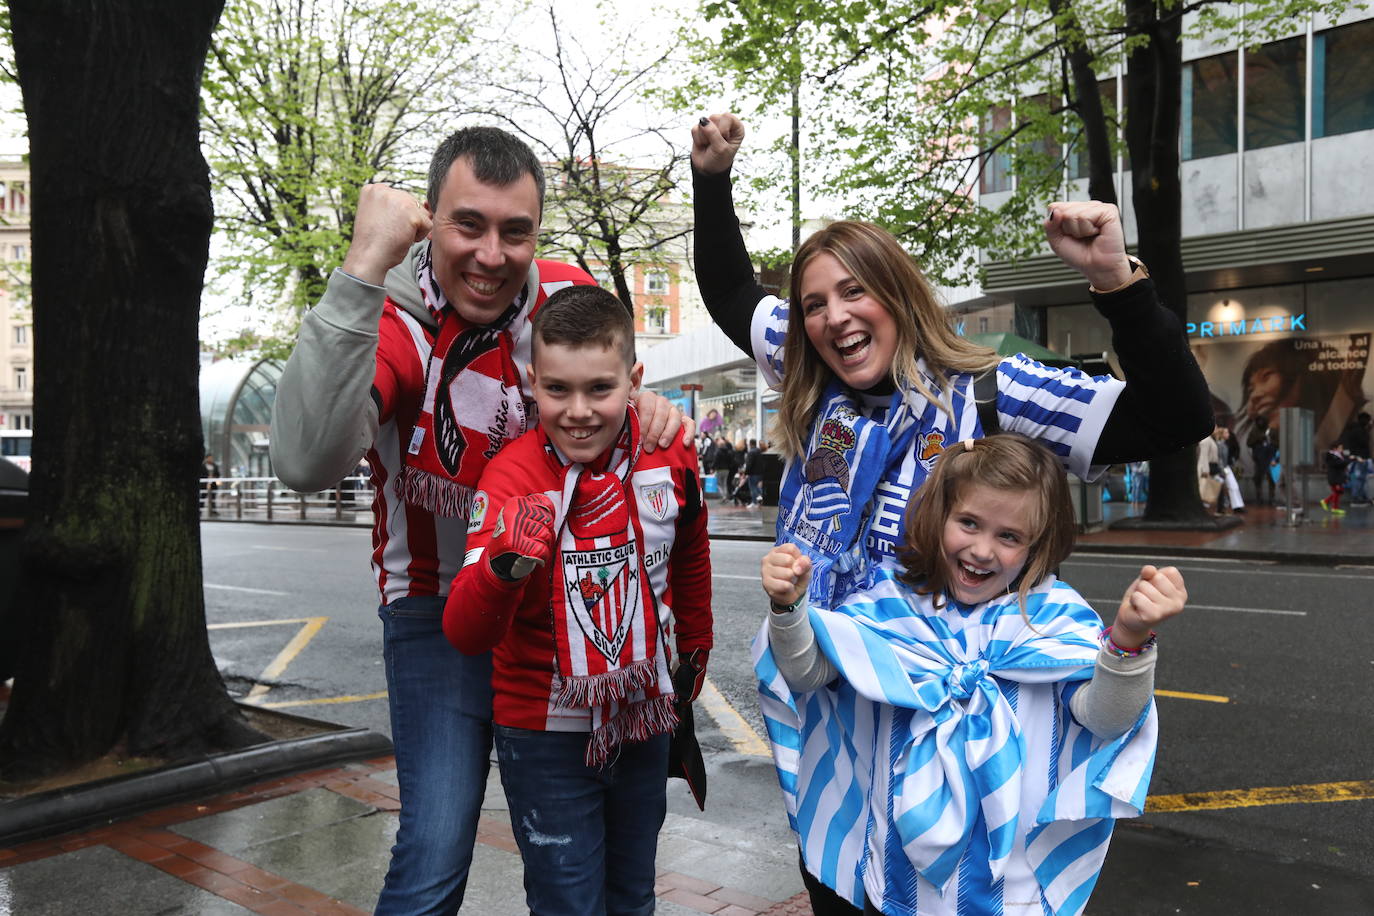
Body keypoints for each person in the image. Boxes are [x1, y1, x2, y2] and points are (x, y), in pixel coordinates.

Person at [690, 112, 1213, 911]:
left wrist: (1117, 282)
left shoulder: (992, 390)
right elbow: (732, 291)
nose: (833, 316)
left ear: (897, 295)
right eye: (816, 302)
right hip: (837, 730)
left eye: (855, 290)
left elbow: (1175, 416)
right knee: (837, 886)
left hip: (956, 757)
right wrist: (711, 180)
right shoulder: (810, 364)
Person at [269, 126, 686, 915]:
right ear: (427, 220)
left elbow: (607, 390)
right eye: (469, 225)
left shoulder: (564, 290)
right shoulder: (391, 324)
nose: (492, 255)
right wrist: (363, 263)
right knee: (434, 850)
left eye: (515, 231)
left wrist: (649, 404)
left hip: (560, 603)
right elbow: (304, 459)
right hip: (435, 608)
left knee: (589, 856)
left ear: (537, 235)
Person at [758, 435, 1184, 915]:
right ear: (938, 516)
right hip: (891, 880)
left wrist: (1127, 637)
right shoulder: (886, 604)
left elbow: (1106, 720)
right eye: (968, 523)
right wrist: (789, 607)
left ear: (1037, 545)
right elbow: (807, 674)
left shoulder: (1055, 618)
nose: (982, 550)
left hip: (1010, 893)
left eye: (1009, 536)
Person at [442, 285, 712, 916]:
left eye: (600, 388)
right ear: (532, 382)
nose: (579, 411)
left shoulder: (668, 451)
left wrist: (694, 659)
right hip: (543, 733)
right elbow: (464, 631)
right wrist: (504, 568)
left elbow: (691, 557)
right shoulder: (510, 477)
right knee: (569, 905)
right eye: (557, 389)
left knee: (632, 898)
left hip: (643, 716)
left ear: (634, 379)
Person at [1340, 412, 1371, 506]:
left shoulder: (1354, 430)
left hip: (1358, 458)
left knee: (1360, 478)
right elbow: (1363, 442)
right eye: (1368, 420)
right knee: (1359, 478)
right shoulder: (1359, 431)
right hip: (1359, 458)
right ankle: (1356, 498)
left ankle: (1360, 497)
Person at [1213, 426, 1246, 514]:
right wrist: (1222, 469)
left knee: (1233, 486)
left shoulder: (1224, 444)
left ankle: (1237, 506)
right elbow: (1219, 458)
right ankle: (1230, 507)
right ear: (1222, 434)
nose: (1228, 434)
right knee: (1228, 487)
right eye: (1226, 433)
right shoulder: (1219, 445)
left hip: (1226, 467)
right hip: (1223, 468)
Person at [1247, 419, 1277, 506]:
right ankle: (1259, 498)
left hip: (1270, 459)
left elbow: (1277, 443)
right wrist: (1259, 439)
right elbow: (1249, 443)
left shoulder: (1271, 431)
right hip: (1259, 459)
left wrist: (1270, 443)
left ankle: (1272, 499)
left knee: (1271, 479)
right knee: (1258, 479)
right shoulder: (1254, 431)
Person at [1322, 441, 1350, 515]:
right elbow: (1339, 464)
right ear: (1335, 448)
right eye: (1340, 448)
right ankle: (1332, 505)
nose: (1342, 449)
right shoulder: (1332, 456)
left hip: (1338, 477)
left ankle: (1328, 503)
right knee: (1337, 491)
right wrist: (1348, 460)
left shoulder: (1338, 455)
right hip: (1334, 478)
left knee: (1339, 492)